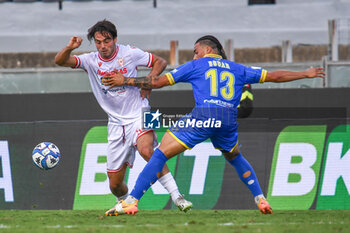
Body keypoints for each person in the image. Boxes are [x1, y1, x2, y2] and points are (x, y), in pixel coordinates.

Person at [101, 35, 325, 216]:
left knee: (159, 154)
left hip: (204, 116)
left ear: (207, 50)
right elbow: (275, 76)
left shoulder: (198, 65)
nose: (194, 55)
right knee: (234, 156)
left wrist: (126, 80)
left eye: (195, 51)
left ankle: (132, 200)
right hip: (227, 120)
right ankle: (260, 198)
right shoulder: (238, 68)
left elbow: (158, 82)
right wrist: (305, 73)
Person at [54, 19, 192, 215]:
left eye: (107, 41)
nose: (103, 46)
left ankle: (177, 196)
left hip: (141, 111)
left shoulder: (130, 53)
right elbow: (60, 61)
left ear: (115, 39)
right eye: (98, 42)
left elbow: (160, 62)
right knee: (115, 185)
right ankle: (124, 202)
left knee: (147, 151)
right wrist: (70, 47)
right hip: (116, 123)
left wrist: (148, 83)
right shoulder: (91, 60)